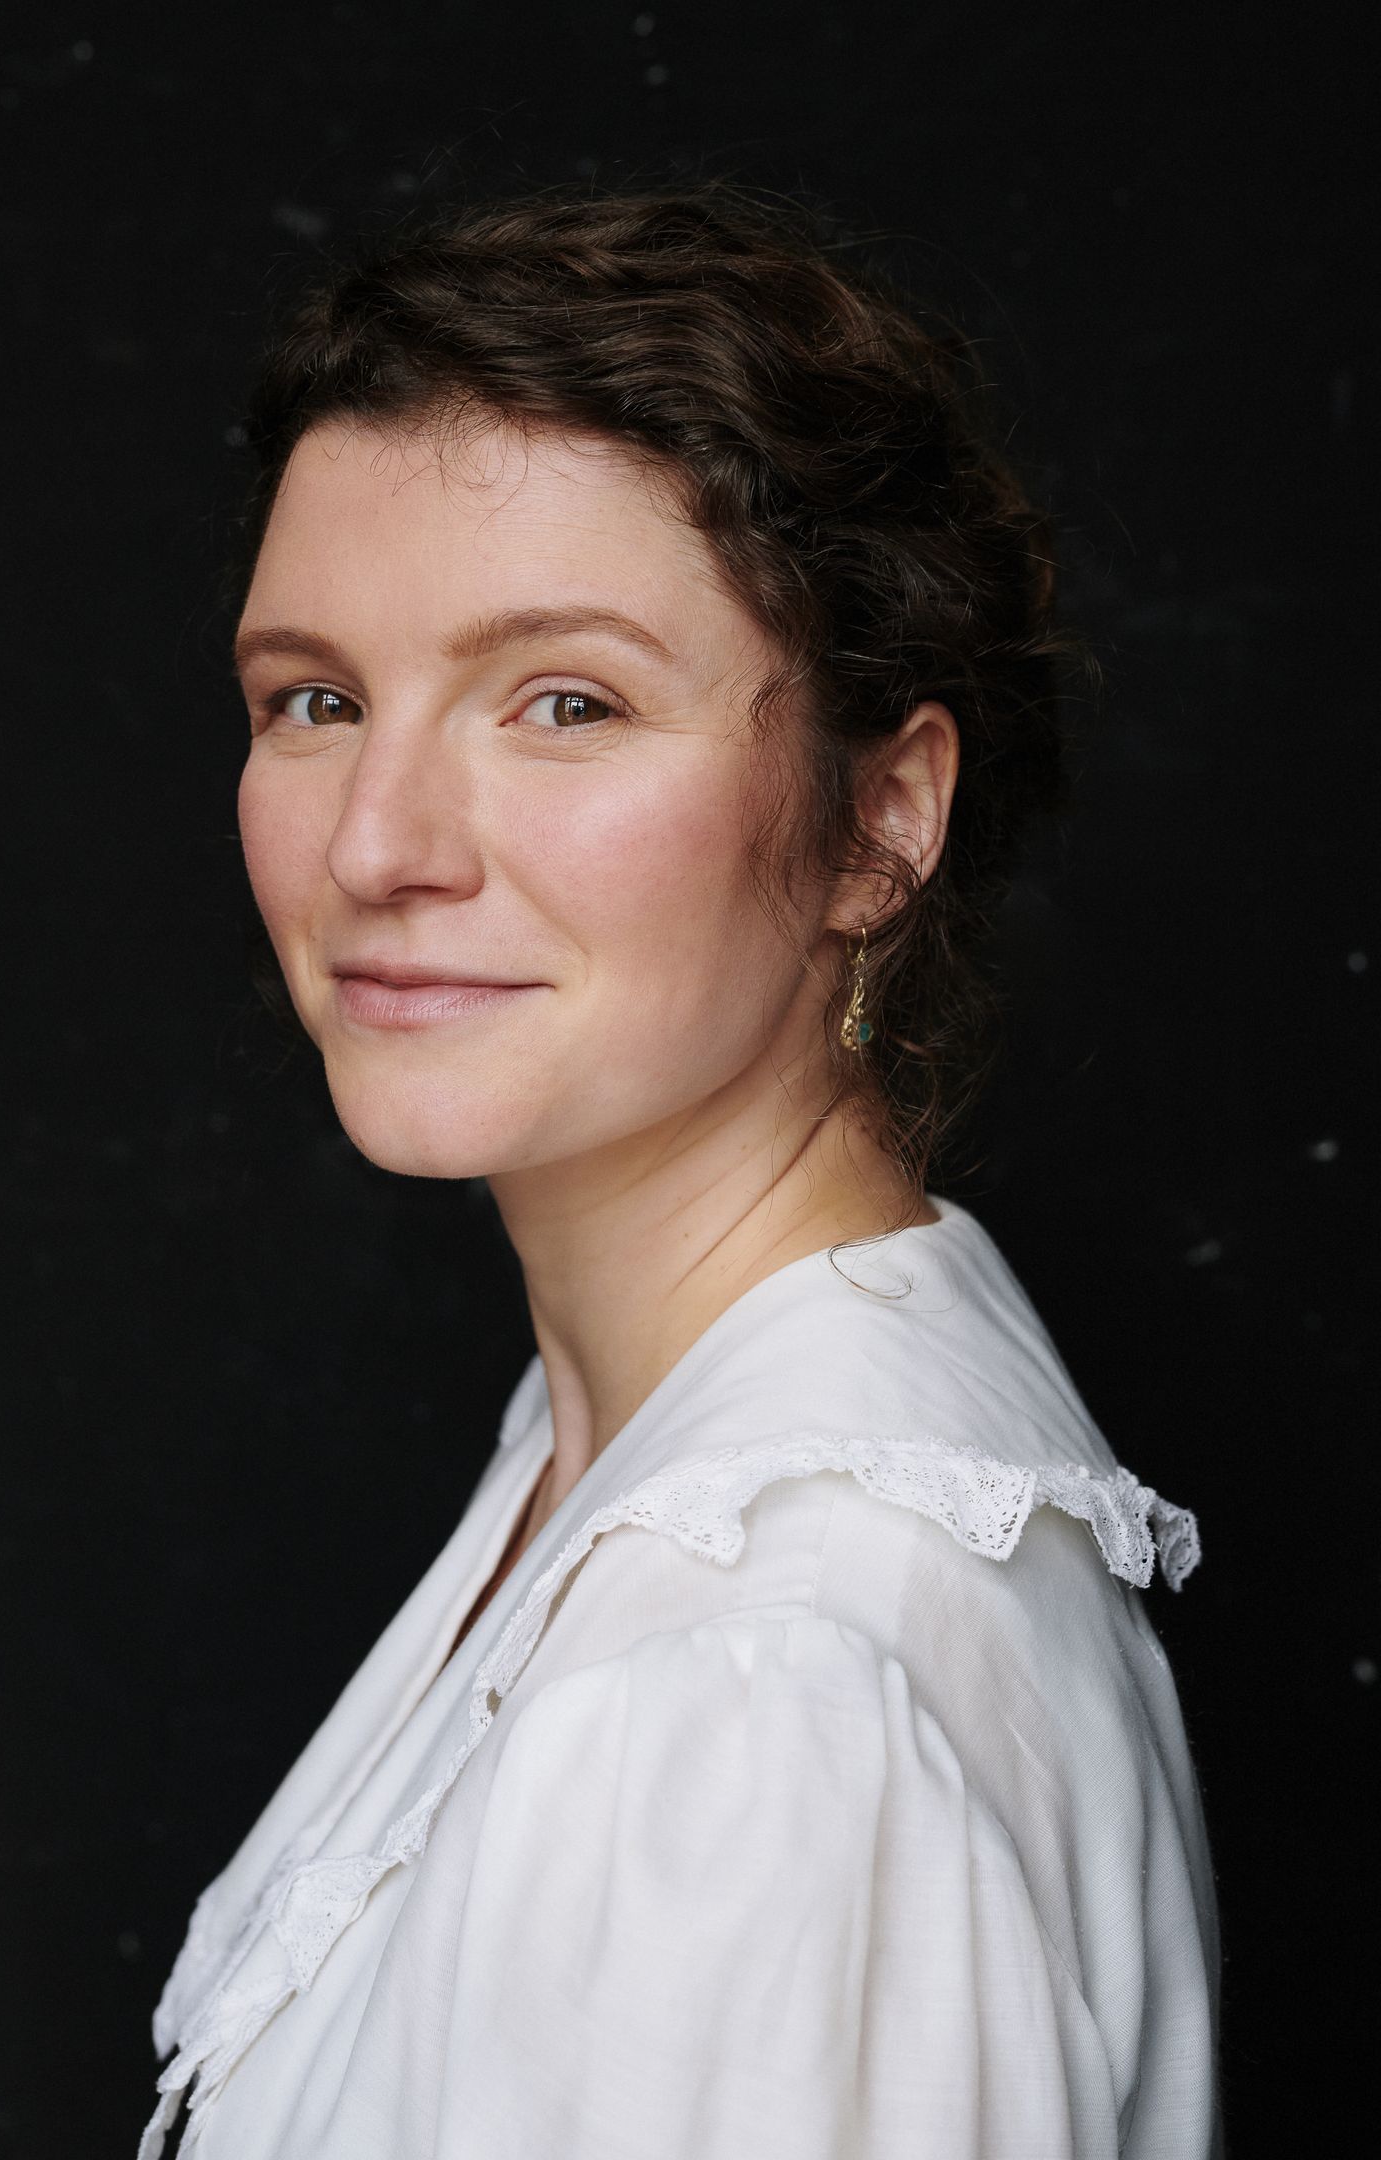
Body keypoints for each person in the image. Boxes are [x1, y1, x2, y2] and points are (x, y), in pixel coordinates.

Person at [139, 184, 1222, 2159]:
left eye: (567, 701)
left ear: (880, 819)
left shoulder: (754, 1694)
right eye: (316, 700)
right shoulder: (667, 1429)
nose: (377, 842)